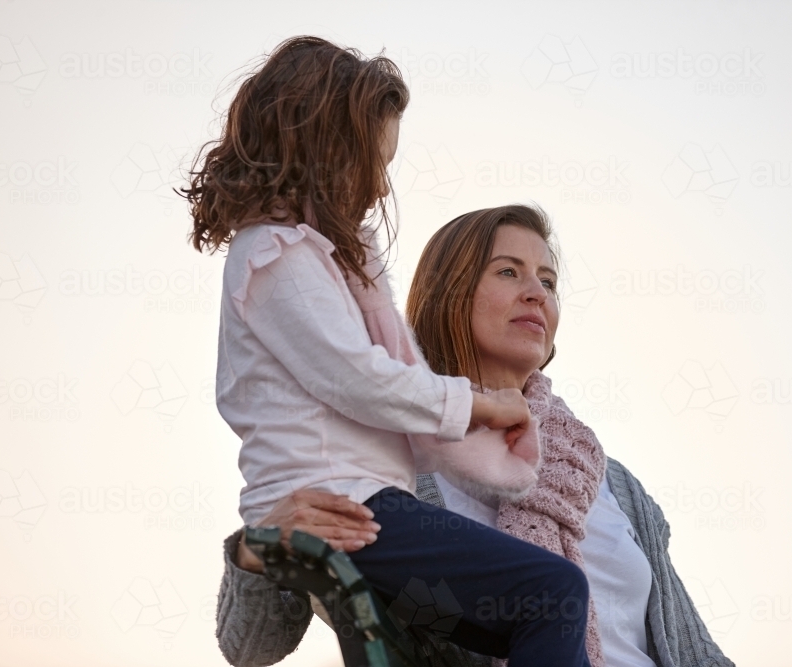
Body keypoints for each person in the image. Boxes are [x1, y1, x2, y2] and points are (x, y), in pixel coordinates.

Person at [184, 37, 594, 667]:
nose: (379, 187)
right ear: (319, 147)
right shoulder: (278, 255)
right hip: (347, 506)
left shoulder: (309, 261)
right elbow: (358, 379)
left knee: (542, 604)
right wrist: (476, 405)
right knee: (555, 590)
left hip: (369, 503)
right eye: (370, 162)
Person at [214, 205, 736, 667]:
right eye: (508, 272)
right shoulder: (383, 459)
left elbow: (695, 653)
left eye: (549, 282)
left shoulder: (611, 482)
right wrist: (257, 547)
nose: (536, 293)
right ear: (449, 293)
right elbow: (250, 647)